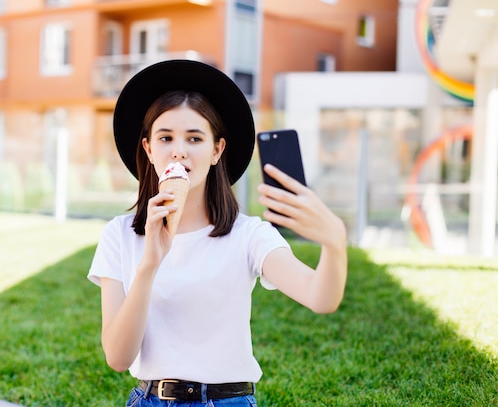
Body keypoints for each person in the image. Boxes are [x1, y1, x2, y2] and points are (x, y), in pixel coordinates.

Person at [88, 60, 347, 406]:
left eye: (194, 138)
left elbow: (321, 298)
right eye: (166, 137)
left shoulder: (249, 235)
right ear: (149, 150)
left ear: (216, 150)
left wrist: (335, 242)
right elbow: (118, 358)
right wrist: (149, 263)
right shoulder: (119, 235)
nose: (179, 149)